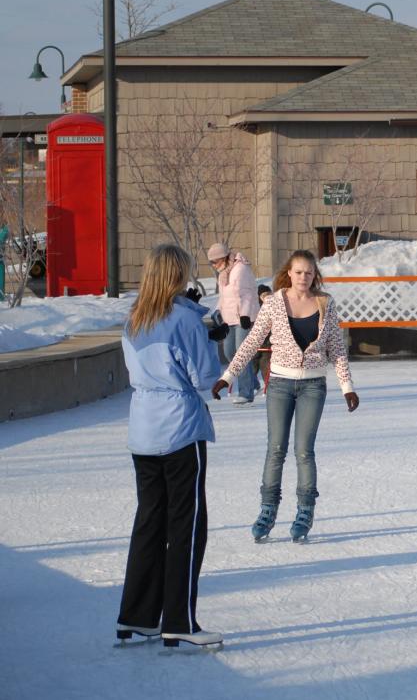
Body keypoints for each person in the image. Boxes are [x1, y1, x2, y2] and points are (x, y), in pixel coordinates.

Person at [116, 244, 224, 649]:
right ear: (178, 275)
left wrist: (196, 317)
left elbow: (170, 329)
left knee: (149, 522)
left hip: (142, 430)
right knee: (187, 526)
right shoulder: (184, 320)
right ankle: (180, 620)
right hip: (180, 430)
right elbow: (204, 379)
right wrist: (211, 336)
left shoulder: (134, 320)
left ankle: (136, 616)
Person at [213, 249, 360, 543]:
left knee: (304, 451)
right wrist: (227, 376)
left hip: (312, 386)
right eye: (298, 272)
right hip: (279, 384)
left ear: (314, 275)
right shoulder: (275, 304)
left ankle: (305, 510)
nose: (303, 277)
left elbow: (337, 349)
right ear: (288, 274)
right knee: (276, 449)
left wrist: (347, 386)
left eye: (308, 272)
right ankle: (267, 510)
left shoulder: (325, 305)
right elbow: (252, 341)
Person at [207, 242, 260, 404]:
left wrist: (245, 315)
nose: (213, 265)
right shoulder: (224, 273)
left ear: (222, 258)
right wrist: (217, 311)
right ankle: (253, 384)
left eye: (214, 262)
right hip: (229, 319)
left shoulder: (240, 270)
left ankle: (246, 392)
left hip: (243, 318)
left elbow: (248, 294)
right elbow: (224, 298)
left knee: (241, 354)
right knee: (230, 353)